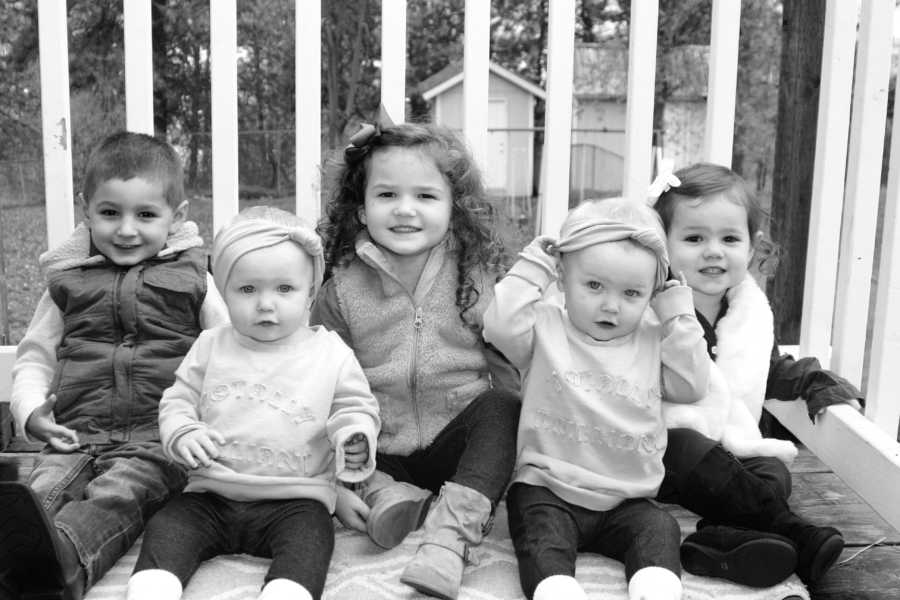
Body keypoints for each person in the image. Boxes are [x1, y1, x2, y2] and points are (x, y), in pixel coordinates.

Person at [0, 131, 229, 600]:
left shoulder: (193, 280)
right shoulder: (68, 283)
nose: (126, 230)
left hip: (156, 441)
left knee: (119, 495)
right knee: (38, 492)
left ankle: (62, 562)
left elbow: (229, 352)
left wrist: (208, 423)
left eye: (146, 215)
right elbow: (35, 356)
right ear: (87, 210)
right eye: (110, 213)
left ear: (177, 216)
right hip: (72, 434)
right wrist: (30, 412)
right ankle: (16, 553)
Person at [310, 122, 521, 600]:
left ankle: (449, 538)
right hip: (382, 443)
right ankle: (387, 496)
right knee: (349, 438)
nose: (405, 210)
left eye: (426, 197)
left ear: (454, 207)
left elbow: (509, 366)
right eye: (387, 195)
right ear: (361, 209)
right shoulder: (340, 285)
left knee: (503, 408)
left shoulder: (475, 274)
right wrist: (331, 482)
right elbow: (317, 382)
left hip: (458, 446)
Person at [125, 206, 380, 600]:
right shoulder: (211, 344)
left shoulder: (330, 352)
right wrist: (183, 431)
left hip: (295, 499)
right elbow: (178, 399)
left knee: (313, 538)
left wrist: (354, 434)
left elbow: (355, 406)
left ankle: (285, 591)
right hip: (211, 492)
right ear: (224, 292)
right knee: (168, 525)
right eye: (247, 289)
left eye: (284, 289)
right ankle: (153, 587)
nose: (265, 304)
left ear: (310, 292)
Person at [483, 198, 710, 600]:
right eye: (593, 286)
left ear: (652, 295)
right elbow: (499, 326)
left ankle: (655, 586)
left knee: (660, 529)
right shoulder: (543, 331)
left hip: (627, 499)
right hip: (548, 488)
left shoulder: (655, 340)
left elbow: (691, 385)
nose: (610, 305)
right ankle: (556, 588)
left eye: (632, 293)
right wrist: (535, 264)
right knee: (539, 536)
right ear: (562, 278)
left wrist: (677, 311)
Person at [650, 162, 863, 587]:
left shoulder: (748, 313)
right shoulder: (653, 305)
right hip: (666, 454)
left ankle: (719, 544)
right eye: (694, 238)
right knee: (685, 443)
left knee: (774, 473)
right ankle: (794, 532)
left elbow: (769, 369)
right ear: (662, 245)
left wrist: (816, 382)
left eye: (729, 238)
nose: (714, 250)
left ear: (751, 248)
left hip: (731, 452)